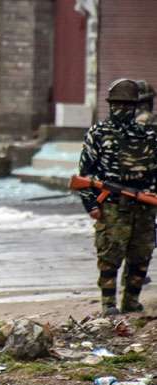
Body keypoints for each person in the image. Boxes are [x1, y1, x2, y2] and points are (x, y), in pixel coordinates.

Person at [78, 78, 157, 316]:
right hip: (112, 206)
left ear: (135, 106)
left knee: (141, 255)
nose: (122, 109)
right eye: (117, 104)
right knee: (110, 257)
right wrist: (91, 204)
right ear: (110, 105)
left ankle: (131, 301)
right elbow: (85, 173)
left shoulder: (148, 134)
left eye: (127, 104)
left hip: (144, 207)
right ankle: (108, 303)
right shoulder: (99, 132)